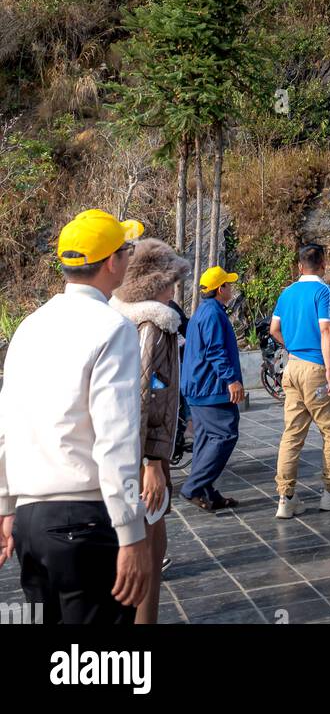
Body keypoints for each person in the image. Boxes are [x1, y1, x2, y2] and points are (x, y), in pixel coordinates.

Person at [0, 209, 149, 624]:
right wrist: (131, 533)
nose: (128, 257)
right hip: (84, 518)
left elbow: (6, 423)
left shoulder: (30, 326)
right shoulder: (111, 327)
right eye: (126, 250)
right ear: (110, 262)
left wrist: (6, 504)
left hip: (31, 522)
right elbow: (116, 438)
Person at [110, 237, 190, 625]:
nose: (175, 288)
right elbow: (147, 393)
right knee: (148, 549)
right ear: (153, 282)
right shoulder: (153, 324)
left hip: (131, 452)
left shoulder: (120, 318)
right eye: (171, 279)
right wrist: (153, 461)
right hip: (143, 455)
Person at [271, 243, 330, 518]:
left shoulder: (286, 292)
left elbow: (274, 329)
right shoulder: (323, 291)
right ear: (323, 264)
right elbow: (327, 329)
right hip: (316, 368)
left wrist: (293, 346)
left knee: (292, 434)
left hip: (292, 367)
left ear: (299, 266)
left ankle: (286, 498)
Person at [180, 266, 244, 512]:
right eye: (228, 284)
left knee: (206, 440)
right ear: (221, 289)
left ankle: (208, 493)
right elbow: (215, 350)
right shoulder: (213, 315)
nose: (231, 288)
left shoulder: (204, 312)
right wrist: (231, 380)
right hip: (210, 388)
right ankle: (194, 487)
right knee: (225, 434)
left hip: (199, 387)